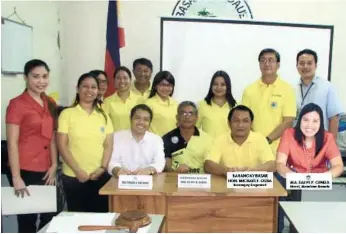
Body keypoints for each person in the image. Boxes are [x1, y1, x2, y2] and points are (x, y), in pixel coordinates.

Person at [6, 59, 57, 233]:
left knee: (49, 216)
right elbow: (12, 142)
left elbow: (51, 137)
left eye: (44, 76)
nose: (41, 81)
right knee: (28, 219)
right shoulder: (17, 104)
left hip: (47, 169)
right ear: (26, 78)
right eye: (35, 77)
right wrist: (16, 177)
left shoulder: (50, 102)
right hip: (26, 168)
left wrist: (55, 164)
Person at [57, 72, 113, 212]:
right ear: (78, 89)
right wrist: (77, 171)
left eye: (93, 87)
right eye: (85, 86)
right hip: (74, 177)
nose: (89, 90)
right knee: (77, 219)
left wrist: (102, 168)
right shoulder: (67, 114)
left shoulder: (103, 115)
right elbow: (62, 145)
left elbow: (108, 145)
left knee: (100, 218)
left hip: (99, 176)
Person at [242, 48, 296, 152]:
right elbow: (244, 119)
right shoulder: (249, 90)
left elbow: (288, 121)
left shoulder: (287, 89)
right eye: (263, 60)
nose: (266, 64)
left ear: (278, 64)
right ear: (259, 64)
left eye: (271, 60)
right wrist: (256, 141)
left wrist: (267, 140)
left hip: (279, 148)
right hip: (252, 147)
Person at [276, 103, 344, 177]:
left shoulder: (328, 138)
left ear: (320, 123)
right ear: (300, 120)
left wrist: (324, 177)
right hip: (294, 181)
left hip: (319, 183)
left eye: (315, 121)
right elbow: (280, 164)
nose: (309, 125)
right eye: (305, 120)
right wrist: (293, 177)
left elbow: (338, 166)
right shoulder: (288, 134)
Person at [204, 105, 275, 176]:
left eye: (245, 121)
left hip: (254, 183)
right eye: (236, 121)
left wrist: (253, 172)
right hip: (226, 183)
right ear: (229, 123)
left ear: (251, 123)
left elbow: (272, 165)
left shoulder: (259, 138)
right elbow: (208, 165)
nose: (240, 125)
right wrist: (227, 170)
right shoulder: (220, 139)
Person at [295, 49, 343, 139]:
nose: (305, 66)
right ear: (297, 66)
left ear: (315, 66)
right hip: (297, 141)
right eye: (301, 63)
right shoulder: (292, 89)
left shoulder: (327, 87)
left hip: (320, 141)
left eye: (309, 63)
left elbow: (334, 118)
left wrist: (331, 145)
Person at [108, 104, 165, 176]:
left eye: (146, 119)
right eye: (137, 118)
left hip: (148, 181)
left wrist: (149, 170)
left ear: (150, 123)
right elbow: (112, 162)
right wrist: (117, 170)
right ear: (130, 119)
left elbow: (160, 163)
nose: (141, 122)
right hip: (121, 181)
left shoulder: (156, 139)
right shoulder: (117, 137)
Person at [163, 101, 213, 173]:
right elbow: (167, 167)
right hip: (175, 180)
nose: (187, 116)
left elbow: (210, 165)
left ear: (197, 118)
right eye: (183, 113)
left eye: (191, 113)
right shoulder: (167, 138)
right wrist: (175, 172)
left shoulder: (208, 139)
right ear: (177, 117)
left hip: (201, 181)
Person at [197, 70, 237, 139]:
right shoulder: (201, 105)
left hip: (229, 148)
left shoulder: (236, 107)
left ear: (228, 86)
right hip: (208, 149)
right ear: (211, 86)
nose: (219, 87)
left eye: (223, 84)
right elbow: (193, 129)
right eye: (215, 84)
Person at [103, 66, 143, 132]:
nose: (122, 81)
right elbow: (105, 125)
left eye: (125, 78)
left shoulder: (140, 100)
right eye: (118, 78)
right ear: (114, 81)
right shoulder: (107, 101)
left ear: (130, 80)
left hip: (136, 140)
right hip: (116, 140)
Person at [145, 71, 178, 136]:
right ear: (155, 86)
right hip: (155, 143)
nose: (165, 88)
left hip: (173, 143)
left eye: (169, 85)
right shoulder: (149, 104)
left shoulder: (176, 104)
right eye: (162, 85)